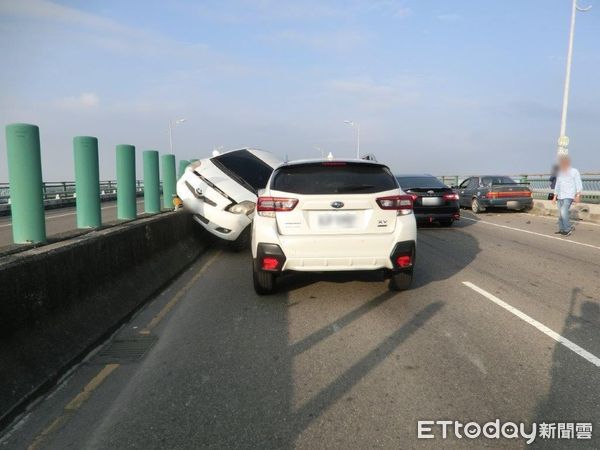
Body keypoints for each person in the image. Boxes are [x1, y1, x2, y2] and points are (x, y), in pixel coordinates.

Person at [552, 154, 583, 236]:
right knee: (560, 213)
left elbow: (578, 183)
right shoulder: (560, 172)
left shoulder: (574, 171)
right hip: (560, 196)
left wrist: (578, 195)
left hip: (569, 196)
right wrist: (554, 196)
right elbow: (557, 185)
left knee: (563, 211)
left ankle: (568, 229)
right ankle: (561, 229)